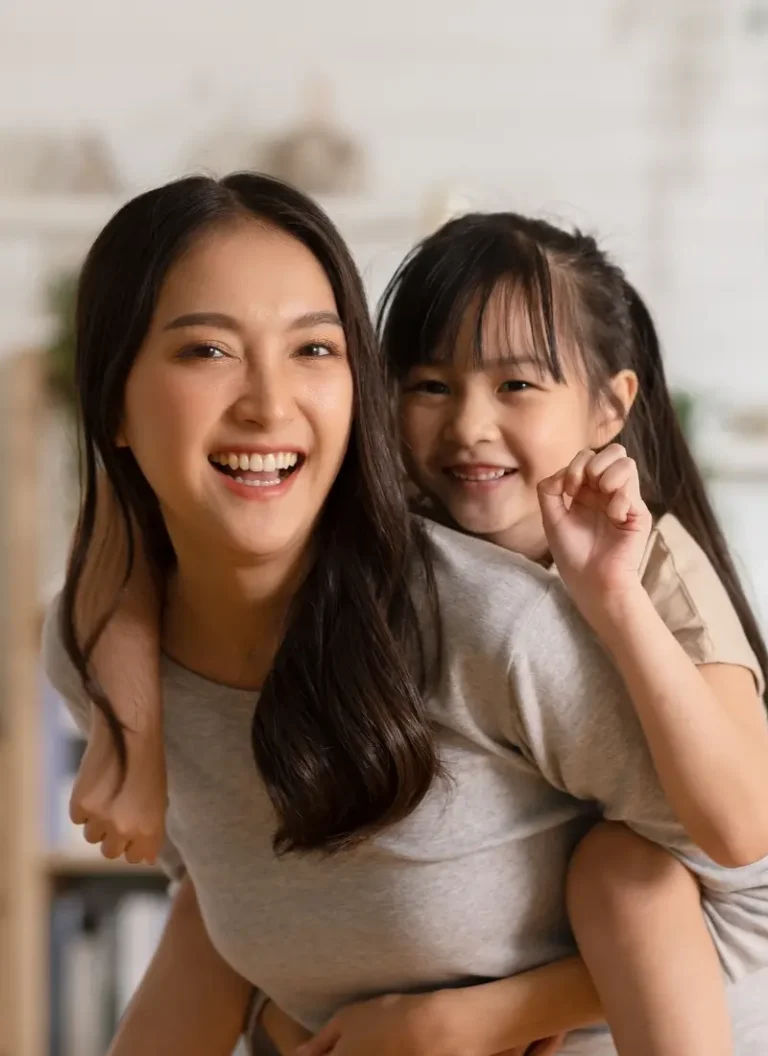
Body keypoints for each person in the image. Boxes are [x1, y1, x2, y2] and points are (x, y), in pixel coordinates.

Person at [43, 174, 768, 1056]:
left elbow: (743, 852)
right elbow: (118, 558)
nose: (469, 427)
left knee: (628, 875)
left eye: (312, 350)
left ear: (609, 407)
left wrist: (464, 1021)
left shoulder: (566, 599)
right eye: (207, 351)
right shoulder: (124, 627)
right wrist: (131, 731)